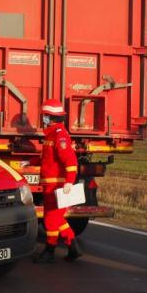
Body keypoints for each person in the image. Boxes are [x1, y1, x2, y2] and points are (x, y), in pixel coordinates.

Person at [33, 99, 82, 263]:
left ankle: (49, 250)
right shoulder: (52, 134)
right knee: (57, 218)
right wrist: (31, 162)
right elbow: (48, 159)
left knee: (50, 218)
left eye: (45, 115)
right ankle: (73, 247)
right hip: (50, 184)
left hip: (56, 185)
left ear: (51, 117)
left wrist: (69, 182)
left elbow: (70, 161)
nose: (43, 118)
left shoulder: (59, 135)